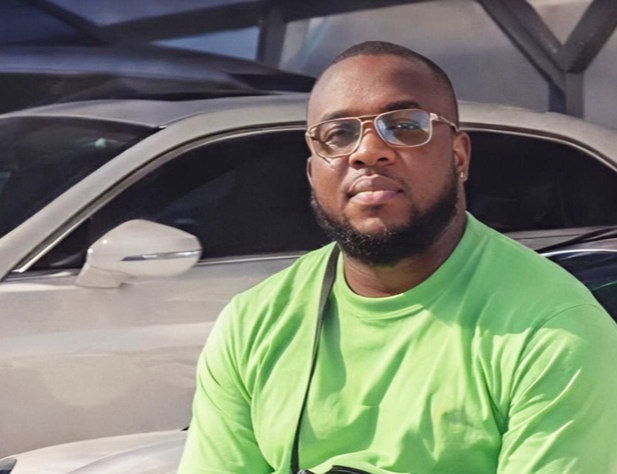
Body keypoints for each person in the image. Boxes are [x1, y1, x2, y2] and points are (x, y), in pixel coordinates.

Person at [177, 41, 617, 474]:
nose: (367, 151)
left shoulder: (556, 330)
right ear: (312, 173)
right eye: (338, 134)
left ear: (459, 155)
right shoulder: (254, 321)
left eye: (405, 125)